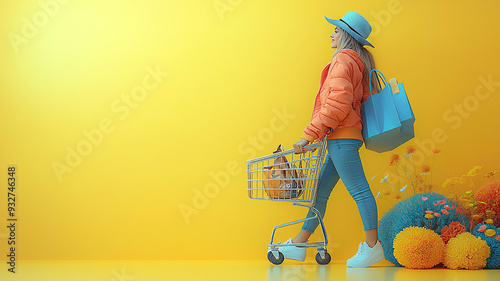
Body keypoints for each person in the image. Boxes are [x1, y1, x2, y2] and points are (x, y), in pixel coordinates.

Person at [284, 11, 385, 267]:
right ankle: (299, 243)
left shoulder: (342, 60)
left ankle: (373, 247)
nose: (332, 33)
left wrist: (308, 135)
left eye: (336, 30)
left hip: (342, 138)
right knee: (319, 194)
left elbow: (337, 105)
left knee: (360, 191)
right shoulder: (356, 62)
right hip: (341, 138)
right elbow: (350, 103)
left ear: (345, 35)